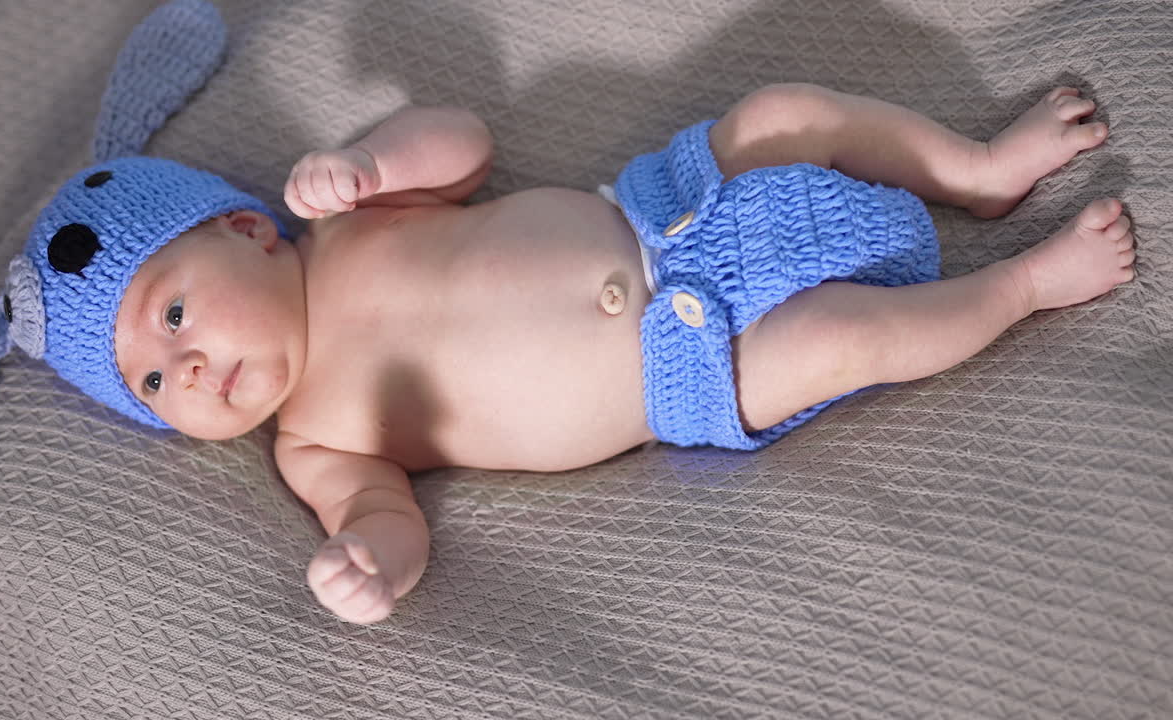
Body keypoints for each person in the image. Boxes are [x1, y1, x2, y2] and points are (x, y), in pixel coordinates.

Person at [79, 84, 1137, 624]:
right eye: (153, 382)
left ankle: (977, 169)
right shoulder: (312, 440)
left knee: (782, 114)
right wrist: (370, 569)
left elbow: (465, 143)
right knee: (849, 338)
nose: (189, 370)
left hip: (657, 213)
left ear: (244, 232)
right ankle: (1023, 285)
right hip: (681, 376)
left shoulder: (348, 218)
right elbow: (383, 516)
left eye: (173, 317)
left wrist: (368, 158)